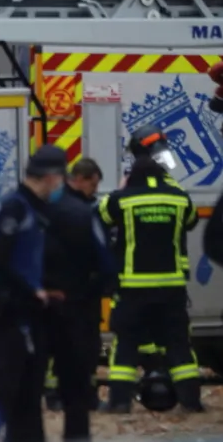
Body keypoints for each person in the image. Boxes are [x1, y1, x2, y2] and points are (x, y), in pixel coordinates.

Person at [98, 124, 203, 413]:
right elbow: (192, 220)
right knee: (179, 345)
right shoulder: (178, 197)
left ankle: (119, 403)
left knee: (127, 345)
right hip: (171, 289)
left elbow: (100, 217)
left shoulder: (123, 198)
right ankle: (191, 402)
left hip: (133, 288)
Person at [0, 144, 66, 442]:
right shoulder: (15, 207)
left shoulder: (33, 209)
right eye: (60, 178)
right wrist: (28, 291)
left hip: (26, 313)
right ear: (50, 177)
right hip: (10, 315)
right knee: (4, 394)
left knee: (27, 396)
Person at [39, 158, 116, 441]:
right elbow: (102, 253)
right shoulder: (83, 212)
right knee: (83, 347)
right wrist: (108, 281)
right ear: (81, 178)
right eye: (93, 184)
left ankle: (56, 394)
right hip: (83, 293)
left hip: (56, 293)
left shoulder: (47, 208)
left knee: (58, 345)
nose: (94, 191)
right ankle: (83, 397)